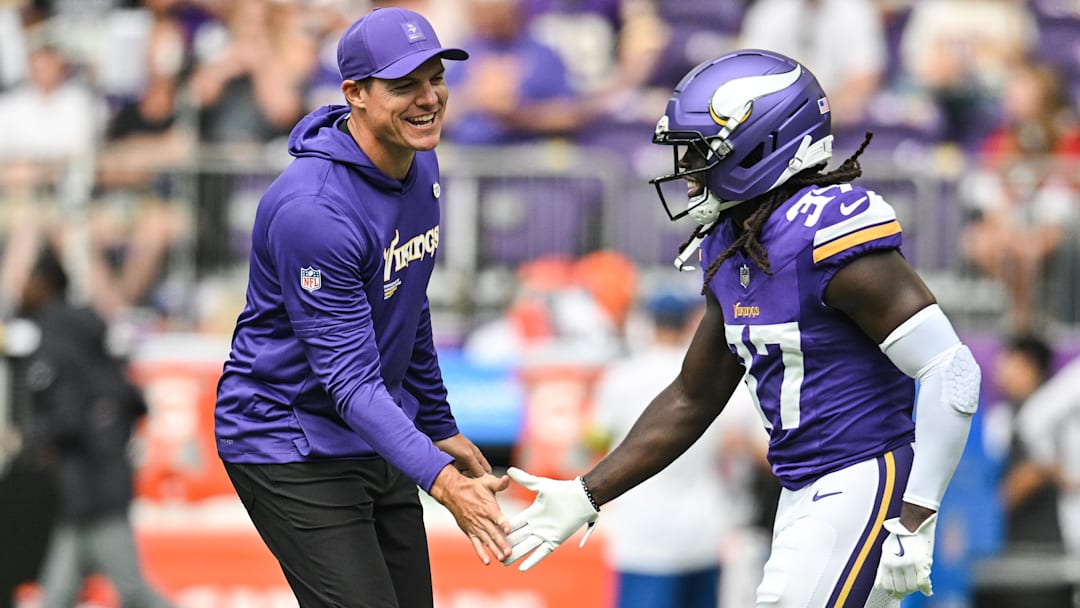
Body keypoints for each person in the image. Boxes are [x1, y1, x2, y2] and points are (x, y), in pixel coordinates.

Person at [501, 49, 981, 608]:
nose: (685, 168)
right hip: (801, 488)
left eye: (700, 150)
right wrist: (587, 493)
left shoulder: (823, 233)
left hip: (861, 477)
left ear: (760, 145)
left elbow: (952, 368)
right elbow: (692, 396)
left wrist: (917, 518)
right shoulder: (733, 244)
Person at [213, 7, 512, 607]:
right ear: (355, 94)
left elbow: (409, 300)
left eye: (436, 79)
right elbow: (349, 383)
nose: (429, 99)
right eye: (405, 85)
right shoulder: (314, 211)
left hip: (372, 426)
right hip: (288, 437)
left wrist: (438, 424)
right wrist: (444, 482)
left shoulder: (420, 160)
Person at [19, 245, 173, 608]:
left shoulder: (55, 336)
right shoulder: (84, 327)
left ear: (43, 283)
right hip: (91, 485)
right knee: (56, 595)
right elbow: (126, 397)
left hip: (95, 489)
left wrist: (36, 436)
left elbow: (69, 416)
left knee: (133, 592)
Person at [588, 290, 764, 608]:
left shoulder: (621, 377)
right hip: (703, 529)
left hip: (641, 529)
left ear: (648, 323)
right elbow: (749, 443)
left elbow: (595, 441)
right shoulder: (716, 375)